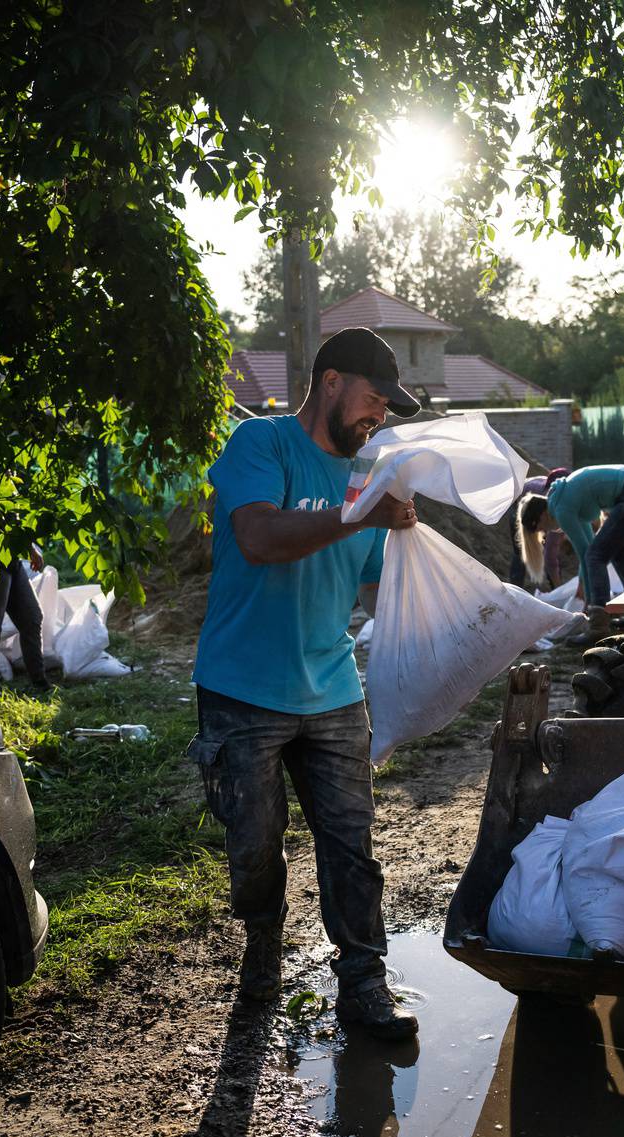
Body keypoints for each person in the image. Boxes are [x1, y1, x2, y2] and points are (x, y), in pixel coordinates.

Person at [188, 327, 422, 1040]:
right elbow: (259, 539)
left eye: (386, 408)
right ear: (330, 382)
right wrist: (358, 516)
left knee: (352, 845)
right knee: (255, 845)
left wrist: (450, 606)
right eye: (373, 399)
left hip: (333, 690)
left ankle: (365, 985)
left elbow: (384, 592)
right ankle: (263, 943)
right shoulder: (259, 446)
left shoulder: (367, 480)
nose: (377, 416)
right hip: (242, 690)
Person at [515, 463, 624, 640]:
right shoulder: (566, 497)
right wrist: (586, 594)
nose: (545, 532)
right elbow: (587, 549)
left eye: (541, 529)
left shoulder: (561, 508)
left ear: (541, 516)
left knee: (597, 556)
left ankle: (598, 625)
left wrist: (589, 603)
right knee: (618, 554)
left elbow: (586, 555)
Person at [0, 537, 50, 690]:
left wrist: (29, 548)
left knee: (32, 618)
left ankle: (40, 684)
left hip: (11, 559)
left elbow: (12, 520)